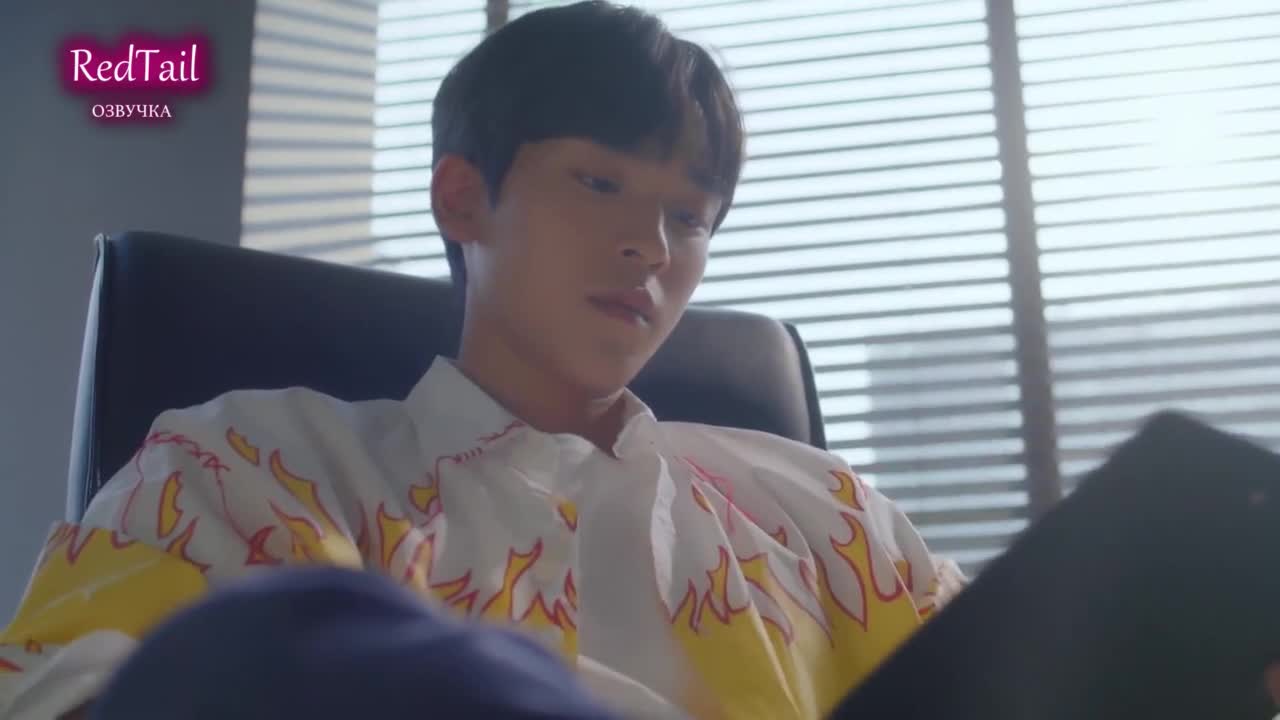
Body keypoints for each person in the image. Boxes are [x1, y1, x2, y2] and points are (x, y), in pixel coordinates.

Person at [5, 2, 968, 718]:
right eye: (600, 182)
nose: (651, 246)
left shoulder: (833, 519)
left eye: (688, 216)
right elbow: (67, 695)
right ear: (463, 200)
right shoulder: (241, 468)